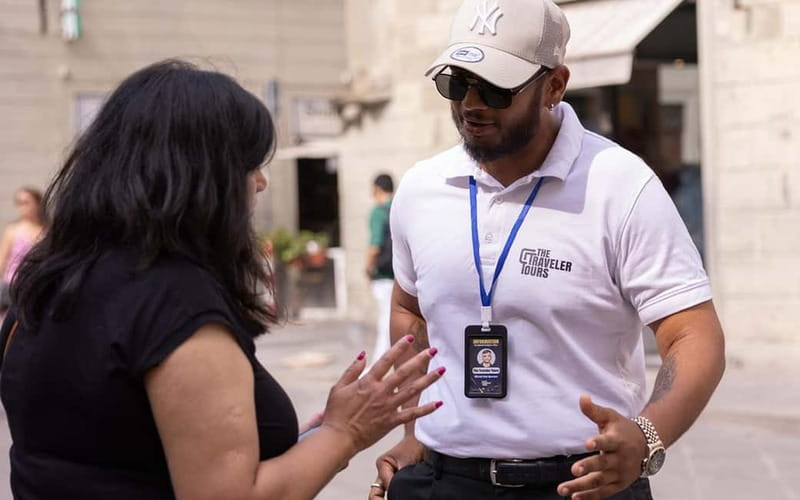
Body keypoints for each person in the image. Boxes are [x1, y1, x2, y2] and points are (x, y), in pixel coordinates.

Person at [0, 59, 446, 500]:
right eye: (249, 164)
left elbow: (115, 451)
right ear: (199, 175)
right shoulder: (173, 301)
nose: (261, 182)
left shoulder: (49, 278)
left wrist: (312, 441)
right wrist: (345, 432)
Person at [369, 1, 725, 499]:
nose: (471, 103)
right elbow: (409, 310)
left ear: (555, 86)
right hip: (443, 480)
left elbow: (694, 335)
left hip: (581, 483)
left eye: (495, 88)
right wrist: (415, 431)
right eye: (457, 82)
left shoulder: (621, 186)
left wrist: (646, 436)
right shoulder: (421, 188)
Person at [0, 187, 44, 316]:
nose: (22, 207)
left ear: (37, 203)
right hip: (13, 285)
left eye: (26, 202)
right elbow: (2, 260)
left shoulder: (46, 230)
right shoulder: (13, 230)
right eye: (19, 203)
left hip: (38, 285)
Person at [365, 173, 395, 365]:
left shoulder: (378, 212)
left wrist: (368, 269)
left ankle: (379, 364)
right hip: (401, 274)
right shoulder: (400, 208)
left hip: (383, 275)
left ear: (377, 189)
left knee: (385, 321)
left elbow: (374, 247)